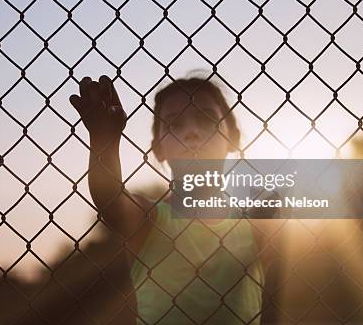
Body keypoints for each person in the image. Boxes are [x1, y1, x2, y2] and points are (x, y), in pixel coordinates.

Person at [70, 75, 265, 324]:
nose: (192, 132)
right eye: (174, 123)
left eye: (206, 119)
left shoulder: (256, 226)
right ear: (158, 148)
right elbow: (110, 198)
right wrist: (105, 141)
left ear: (233, 137)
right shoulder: (151, 218)